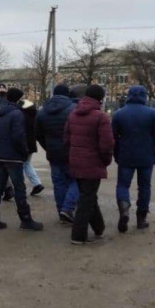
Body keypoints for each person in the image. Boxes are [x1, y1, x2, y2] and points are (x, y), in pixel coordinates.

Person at [0, 88, 43, 231]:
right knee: (19, 188)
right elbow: (18, 136)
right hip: (14, 157)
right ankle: (26, 219)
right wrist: (23, 152)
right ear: (18, 99)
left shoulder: (0, 113)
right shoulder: (17, 114)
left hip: (0, 155)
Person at [112, 85, 155, 232]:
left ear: (129, 96)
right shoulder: (152, 114)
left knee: (123, 185)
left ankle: (124, 209)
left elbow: (113, 138)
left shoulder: (118, 114)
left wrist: (116, 154)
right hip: (146, 157)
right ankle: (141, 218)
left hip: (125, 156)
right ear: (144, 96)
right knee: (144, 186)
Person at [65, 84, 114, 245]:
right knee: (86, 199)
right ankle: (78, 236)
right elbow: (107, 144)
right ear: (100, 98)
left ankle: (99, 227)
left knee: (88, 196)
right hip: (92, 163)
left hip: (76, 162)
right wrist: (105, 161)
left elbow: (66, 140)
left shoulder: (73, 114)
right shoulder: (101, 117)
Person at [35, 84, 78, 223]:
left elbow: (38, 133)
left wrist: (47, 146)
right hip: (71, 151)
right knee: (76, 180)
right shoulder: (73, 109)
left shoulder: (42, 111)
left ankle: (62, 212)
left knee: (59, 183)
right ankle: (68, 208)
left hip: (53, 152)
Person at [20, 99, 45, 196]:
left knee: (21, 165)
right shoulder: (35, 115)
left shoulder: (22, 116)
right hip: (31, 144)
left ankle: (21, 186)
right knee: (26, 164)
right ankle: (37, 184)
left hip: (23, 144)